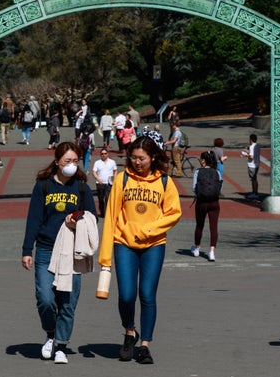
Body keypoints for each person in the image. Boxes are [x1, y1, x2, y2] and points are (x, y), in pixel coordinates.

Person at [98, 136, 182, 364]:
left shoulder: (164, 182)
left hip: (153, 245)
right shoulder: (121, 180)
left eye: (142, 158)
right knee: (126, 295)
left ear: (152, 157)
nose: (137, 162)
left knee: (147, 294)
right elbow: (111, 217)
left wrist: (150, 229)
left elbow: (174, 212)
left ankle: (145, 345)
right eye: (133, 157)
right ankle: (129, 331)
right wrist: (105, 257)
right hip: (123, 243)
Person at [22, 142, 97, 364]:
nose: (71, 165)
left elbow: (92, 217)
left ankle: (61, 345)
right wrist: (27, 250)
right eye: (67, 161)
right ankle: (51, 333)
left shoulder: (81, 188)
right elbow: (33, 219)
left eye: (75, 161)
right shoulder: (43, 186)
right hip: (46, 248)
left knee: (68, 301)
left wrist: (77, 221)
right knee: (45, 298)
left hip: (72, 250)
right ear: (57, 161)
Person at [191, 151, 222, 261]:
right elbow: (220, 189)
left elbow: (194, 188)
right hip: (214, 202)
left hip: (201, 202)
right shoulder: (217, 172)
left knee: (199, 225)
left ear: (203, 160)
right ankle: (212, 251)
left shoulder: (198, 172)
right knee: (213, 227)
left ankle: (197, 248)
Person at [92, 147, 117, 217]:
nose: (104, 155)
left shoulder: (112, 162)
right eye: (102, 154)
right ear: (100, 155)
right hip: (100, 183)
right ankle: (102, 211)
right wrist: (98, 179)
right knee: (100, 198)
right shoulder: (97, 163)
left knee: (107, 198)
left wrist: (114, 179)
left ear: (107, 154)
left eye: (105, 153)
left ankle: (106, 213)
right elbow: (94, 172)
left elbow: (115, 171)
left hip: (109, 183)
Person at [242, 134, 261, 199]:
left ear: (251, 139)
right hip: (257, 164)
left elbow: (251, 156)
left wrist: (245, 155)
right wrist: (247, 149)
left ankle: (254, 193)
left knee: (253, 179)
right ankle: (255, 192)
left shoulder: (252, 147)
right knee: (254, 178)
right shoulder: (257, 145)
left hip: (252, 165)